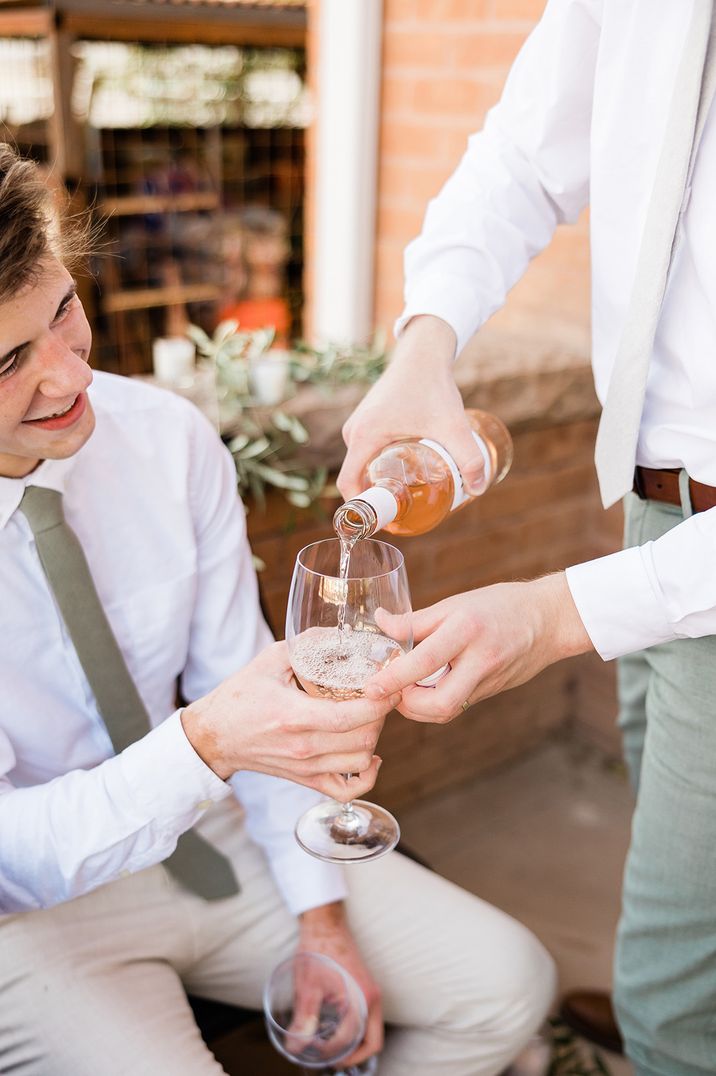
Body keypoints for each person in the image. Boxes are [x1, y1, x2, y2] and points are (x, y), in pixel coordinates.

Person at [0, 145, 555, 1076]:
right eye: (11, 359)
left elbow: (235, 677)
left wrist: (322, 916)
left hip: (212, 838)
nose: (71, 377)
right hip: (31, 917)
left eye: (63, 310)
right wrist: (209, 742)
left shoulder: (168, 440)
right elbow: (13, 854)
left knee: (509, 983)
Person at [338, 3, 716, 1072]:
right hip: (649, 515)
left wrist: (554, 611)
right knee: (674, 855)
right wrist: (424, 341)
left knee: (671, 979)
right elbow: (518, 157)